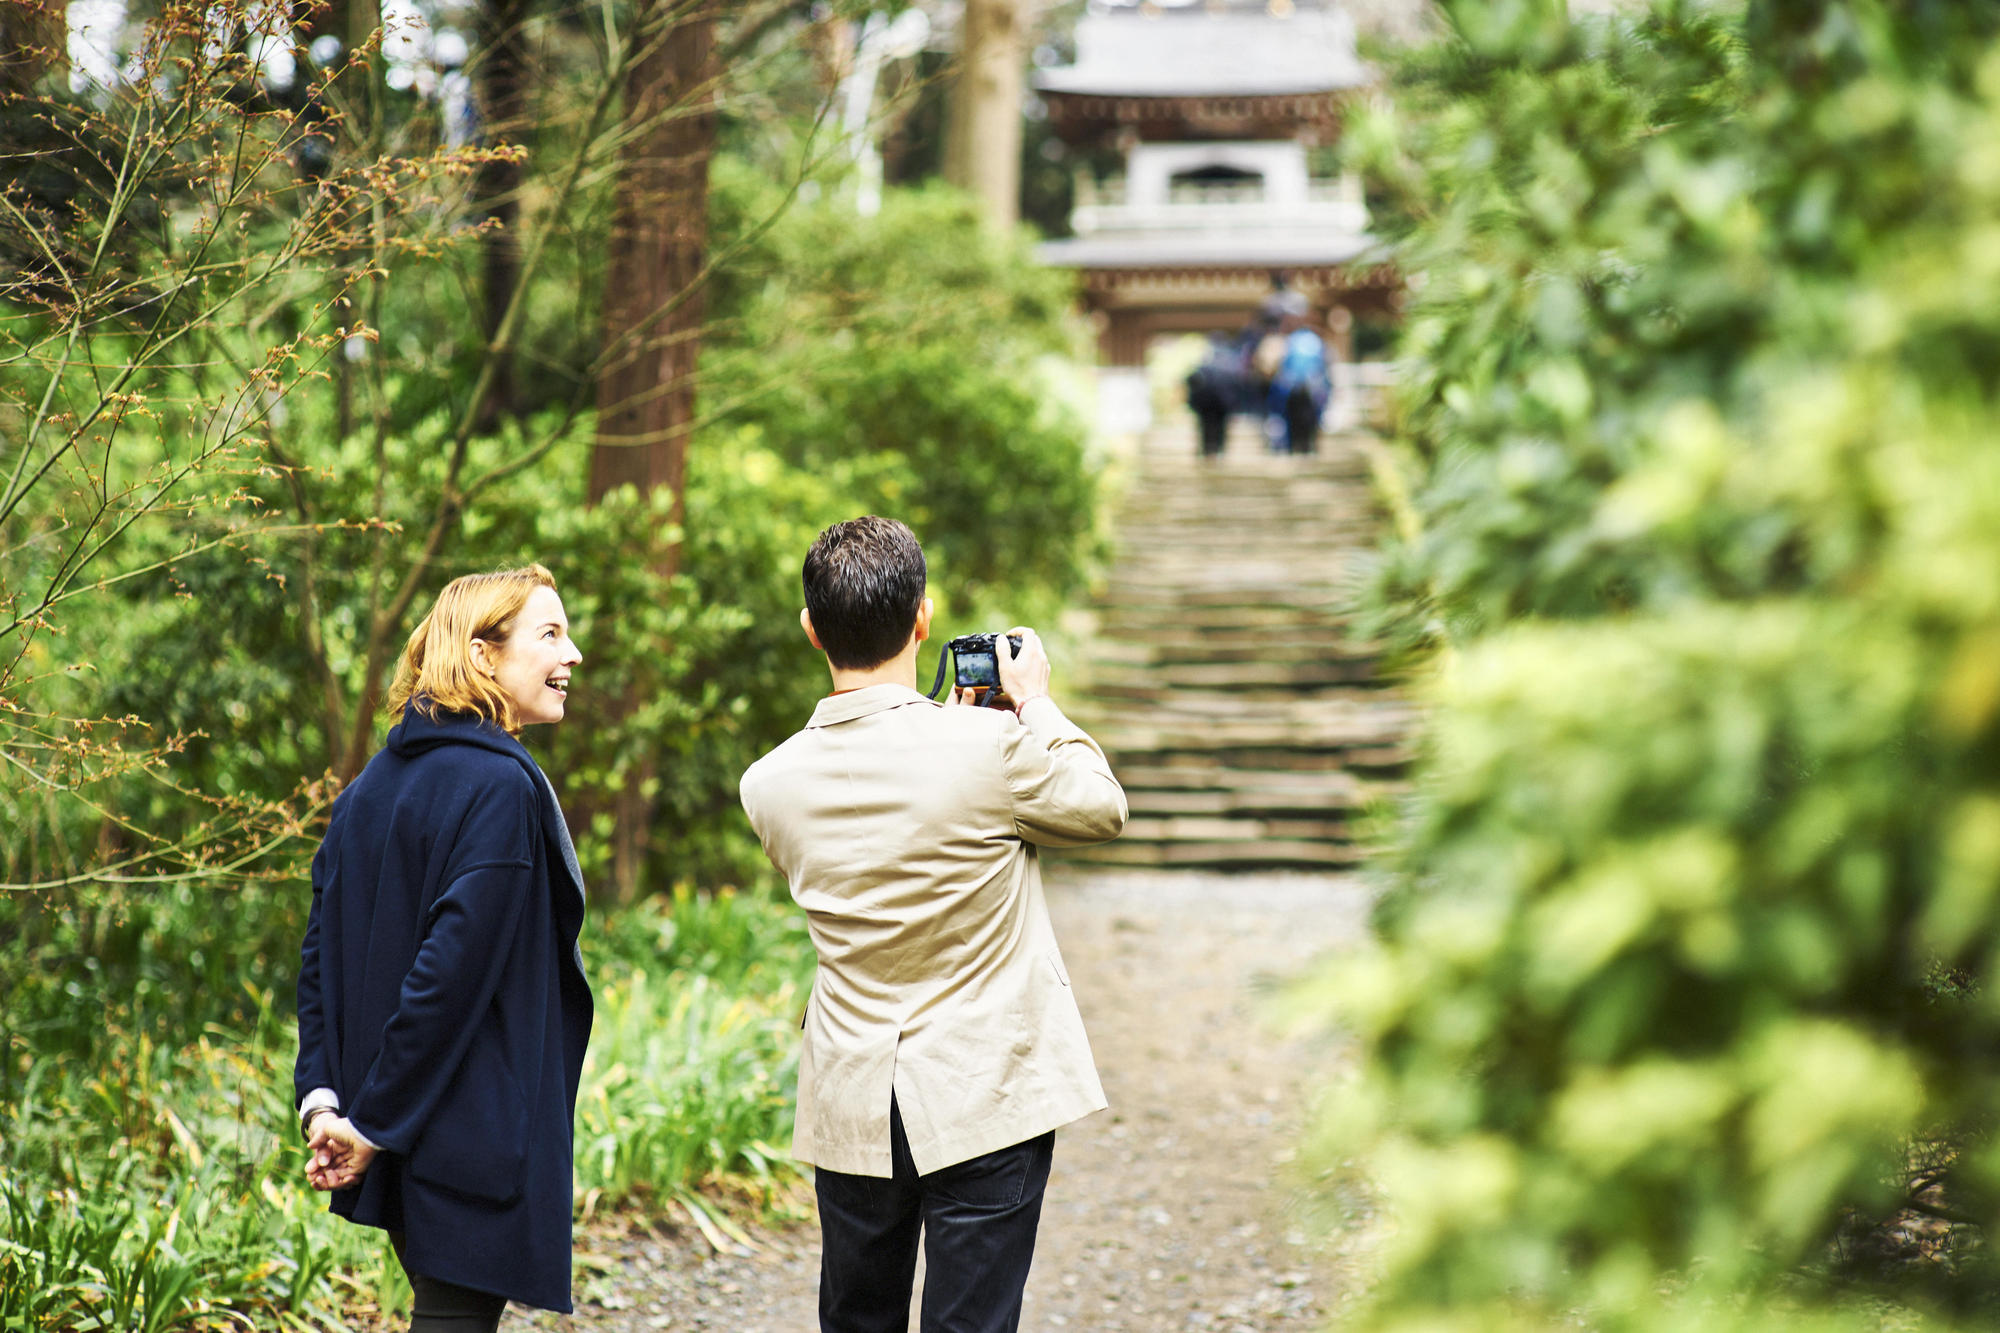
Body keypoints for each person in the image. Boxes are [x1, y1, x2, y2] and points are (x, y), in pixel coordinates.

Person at [739, 516, 1128, 1333]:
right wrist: (1035, 705)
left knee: (857, 1318)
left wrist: (953, 727)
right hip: (987, 1086)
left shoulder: (767, 783)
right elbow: (1100, 806)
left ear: (812, 629)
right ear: (922, 617)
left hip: (854, 1095)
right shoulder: (990, 747)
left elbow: (879, 846)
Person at [294, 564, 594, 1332]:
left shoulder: (367, 788)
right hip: (468, 1142)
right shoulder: (500, 787)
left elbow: (318, 959)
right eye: (550, 633)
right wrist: (369, 1123)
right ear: (483, 654)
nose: (573, 654)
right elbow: (447, 976)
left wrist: (326, 1100)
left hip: (395, 1128)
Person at [1269, 314, 1331, 455]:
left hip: (1292, 386)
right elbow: (1323, 365)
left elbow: (1284, 365)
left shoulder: (1291, 340)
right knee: (1311, 417)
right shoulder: (1316, 341)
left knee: (1291, 416)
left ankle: (1292, 445)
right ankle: (1309, 446)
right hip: (1312, 386)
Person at [1184, 332, 1240, 458]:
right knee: (1219, 426)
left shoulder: (1205, 360)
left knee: (1207, 425)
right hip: (1220, 401)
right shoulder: (1229, 360)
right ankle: (1217, 449)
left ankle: (1209, 449)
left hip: (1208, 401)